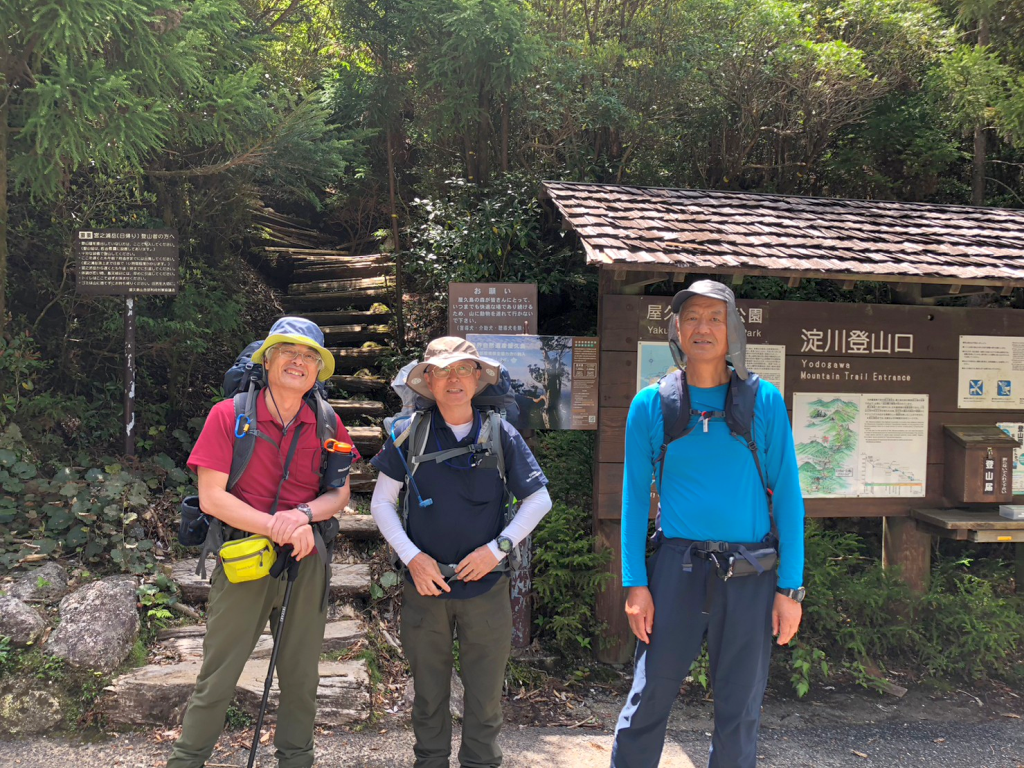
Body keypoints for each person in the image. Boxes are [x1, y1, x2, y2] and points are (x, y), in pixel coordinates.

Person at [610, 281, 805, 768]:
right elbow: (633, 500)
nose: (703, 327)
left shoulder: (763, 402)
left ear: (732, 329)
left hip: (750, 572)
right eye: (692, 317)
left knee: (740, 708)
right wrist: (635, 584)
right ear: (676, 328)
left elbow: (789, 499)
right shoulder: (651, 404)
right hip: (675, 568)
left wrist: (791, 589)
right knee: (648, 699)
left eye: (715, 318)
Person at [167, 316, 358, 768]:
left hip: (306, 559)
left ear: (318, 370)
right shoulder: (229, 415)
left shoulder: (328, 422)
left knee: (300, 677)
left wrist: (303, 516)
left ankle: (296, 760)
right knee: (218, 676)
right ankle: (187, 760)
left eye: (310, 356)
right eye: (288, 351)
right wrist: (278, 525)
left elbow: (340, 492)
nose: (299, 361)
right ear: (267, 358)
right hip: (242, 557)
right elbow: (213, 498)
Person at [370, 337, 552, 768]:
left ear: (477, 378)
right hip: (424, 587)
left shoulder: (500, 433)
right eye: (443, 371)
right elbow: (381, 502)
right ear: (427, 380)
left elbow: (538, 499)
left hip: (486, 587)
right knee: (428, 698)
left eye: (463, 369)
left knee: (486, 700)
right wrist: (412, 557)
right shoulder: (409, 434)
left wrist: (497, 548)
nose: (454, 379)